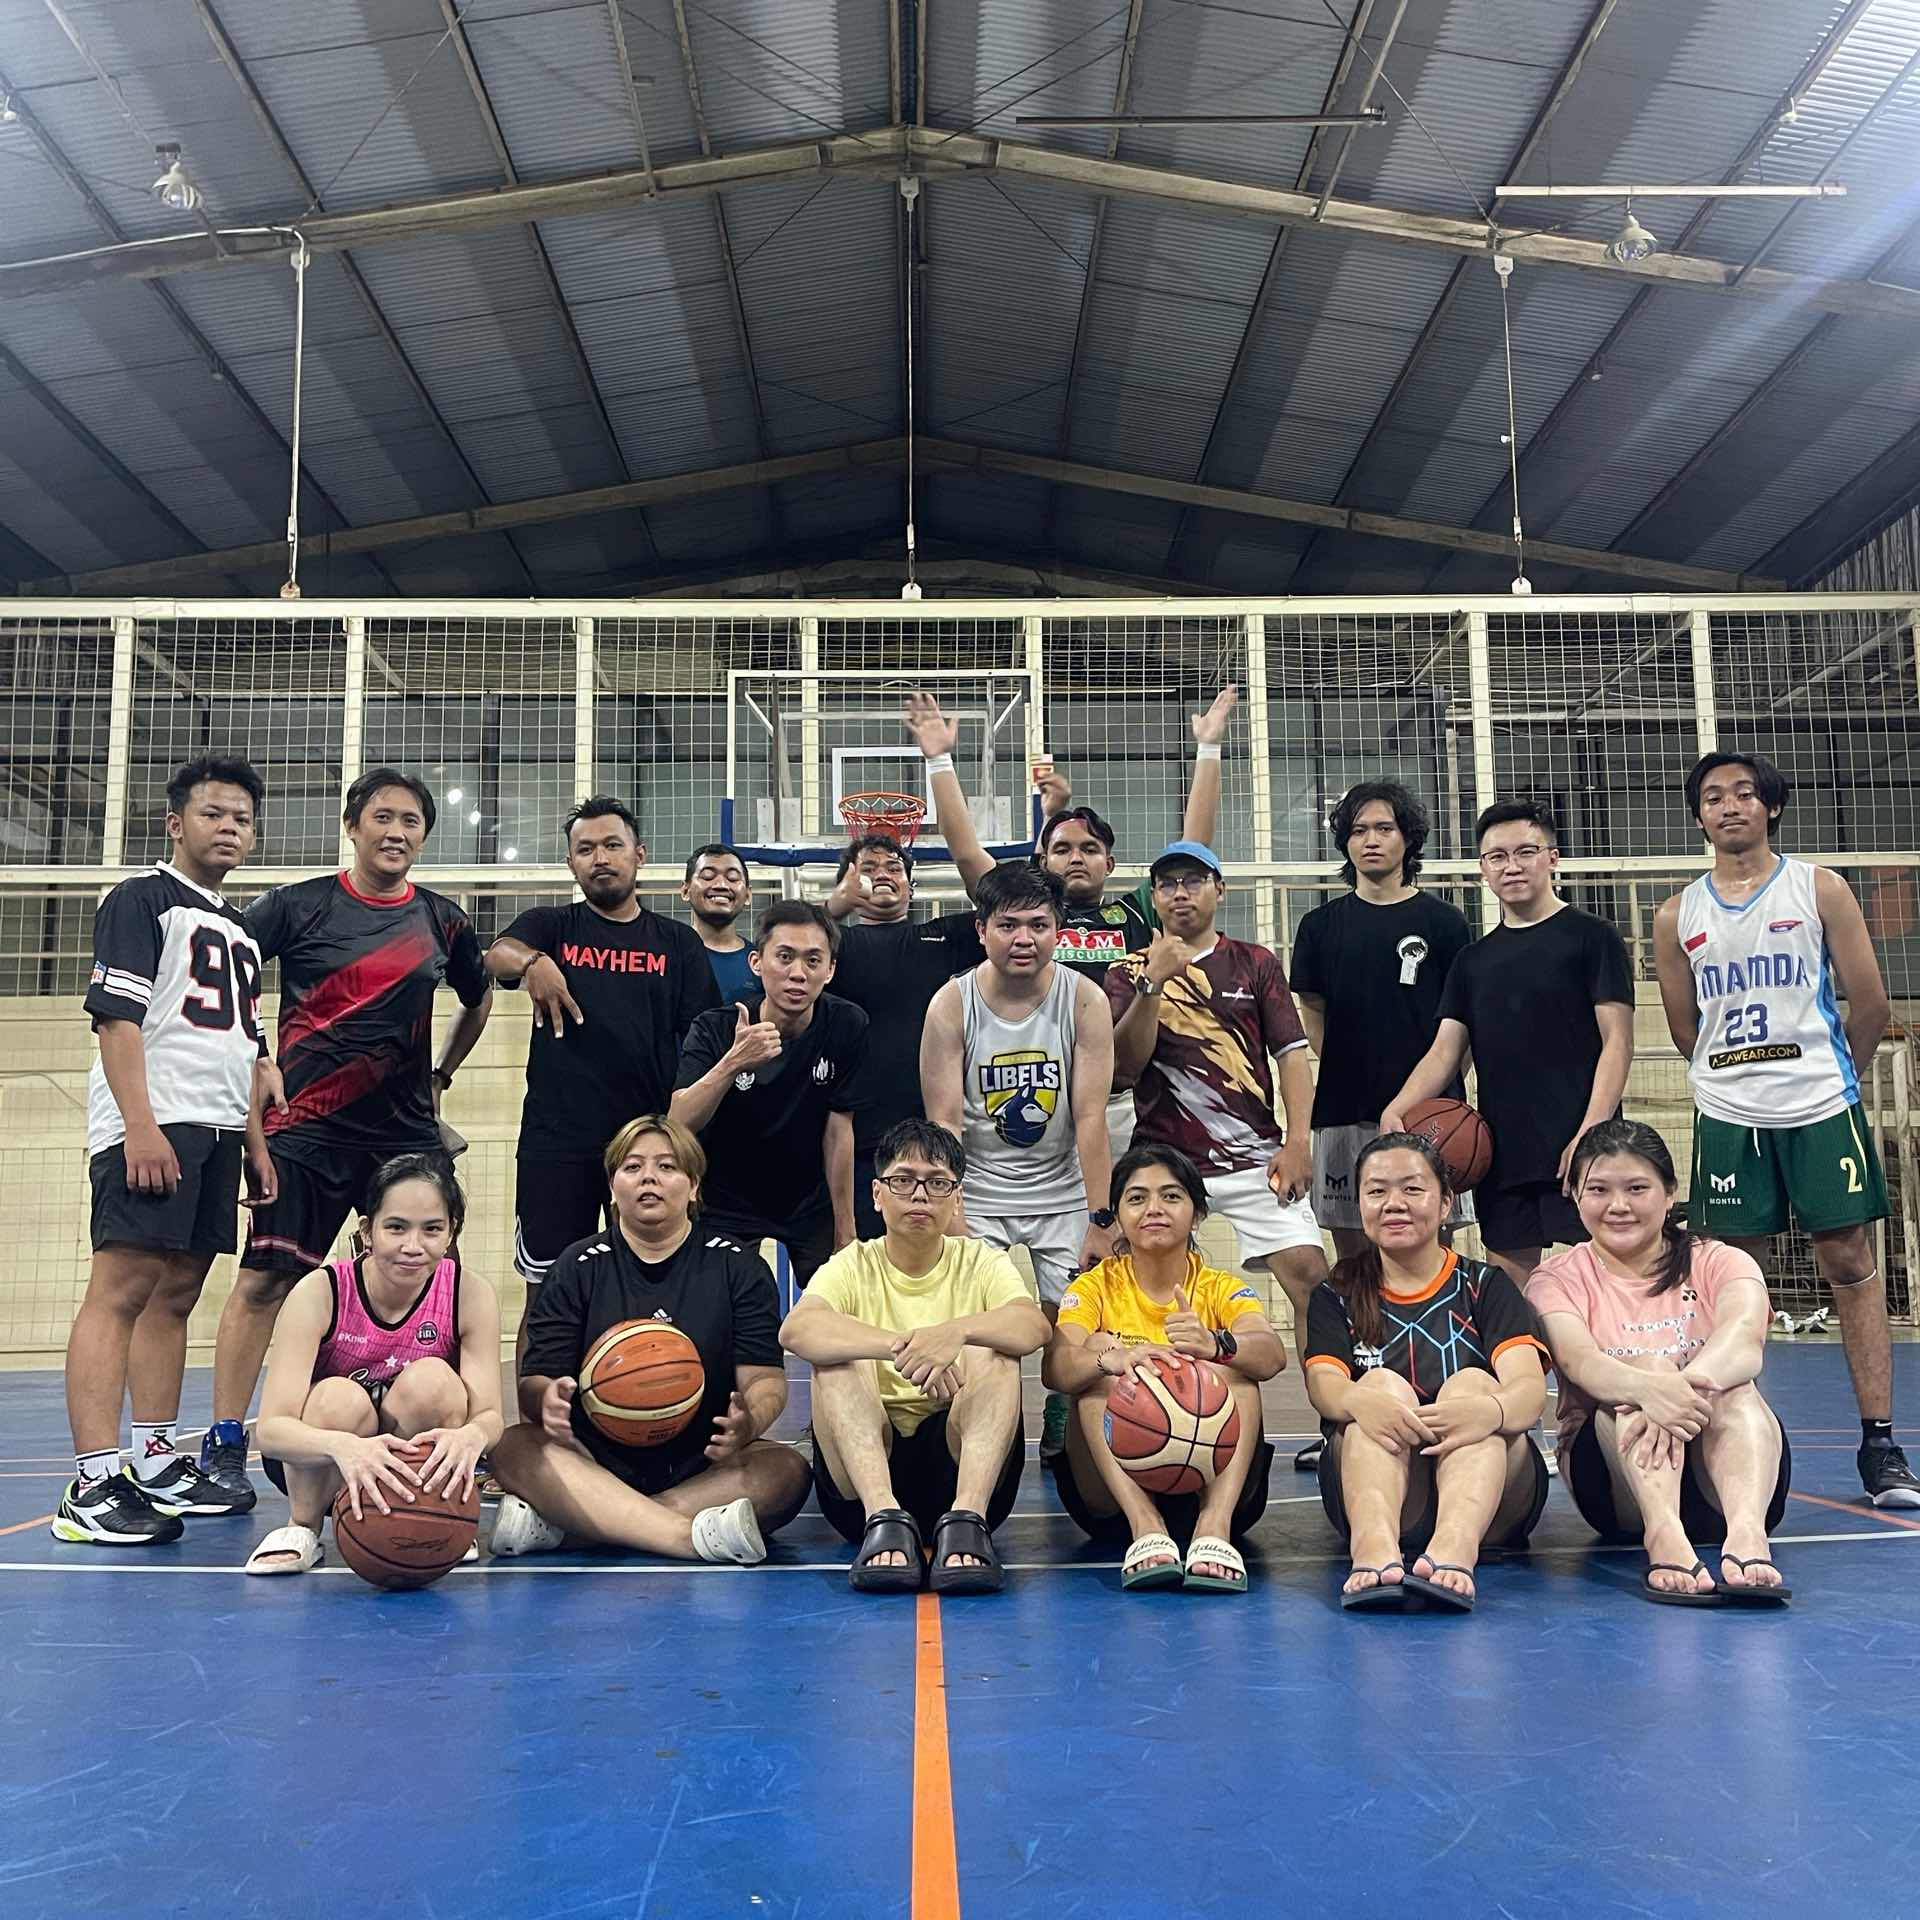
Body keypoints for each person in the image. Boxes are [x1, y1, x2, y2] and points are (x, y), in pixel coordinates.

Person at [198, 768, 493, 1500]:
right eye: (382, 817)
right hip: (304, 1133)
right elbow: (226, 982)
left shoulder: (443, 921)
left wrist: (442, 1073)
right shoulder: (294, 906)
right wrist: (256, 1056)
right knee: (264, 1283)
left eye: (411, 821)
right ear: (353, 826)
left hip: (405, 1138)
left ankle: (449, 1441)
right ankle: (227, 1441)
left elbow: (478, 995)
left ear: (424, 837)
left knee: (436, 1285)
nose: (396, 832)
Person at [1650, 751, 1913, 1508]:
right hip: (1730, 1112)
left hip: (1819, 1104)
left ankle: (1880, 1443)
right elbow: (1685, 1029)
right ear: (1698, 817)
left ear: (1770, 806)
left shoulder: (1818, 887)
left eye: (1744, 793)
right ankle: (1736, 1435)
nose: (1729, 806)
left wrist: (1833, 1079)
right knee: (1734, 1275)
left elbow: (1869, 1002)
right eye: (1713, 797)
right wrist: (1735, 1076)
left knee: (1849, 1257)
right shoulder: (1676, 915)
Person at [53, 758, 279, 1545]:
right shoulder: (141, 899)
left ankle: (153, 1456)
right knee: (120, 1289)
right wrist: (140, 1125)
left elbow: (245, 1049)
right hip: (156, 1121)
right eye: (214, 813)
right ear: (176, 823)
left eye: (242, 818)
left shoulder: (242, 929)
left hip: (218, 1129)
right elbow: (117, 1021)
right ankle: (91, 1482)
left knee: (178, 1292)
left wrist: (255, 1146)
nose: (229, 828)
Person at [901, 685, 1239, 1156]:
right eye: (1062, 849)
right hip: (1034, 1089)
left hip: (1119, 1098)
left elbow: (1193, 849)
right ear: (1043, 861)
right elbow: (965, 851)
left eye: (1089, 849)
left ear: (1110, 864)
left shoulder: (1135, 912)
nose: (1076, 857)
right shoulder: (1023, 915)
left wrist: (1208, 748)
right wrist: (938, 759)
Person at [486, 1115, 810, 1564]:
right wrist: (547, 1400)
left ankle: (578, 1527)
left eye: (667, 1166)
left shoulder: (739, 1267)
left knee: (787, 1472)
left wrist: (749, 1422)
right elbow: (536, 1380)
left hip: (705, 1463)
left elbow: (765, 1380)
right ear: (612, 1186)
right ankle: (687, 1536)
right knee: (512, 1447)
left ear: (694, 1187)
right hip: (590, 1459)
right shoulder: (576, 1265)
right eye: (633, 1166)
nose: (649, 1178)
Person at [485, 797, 717, 1361]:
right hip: (556, 1143)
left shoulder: (676, 943)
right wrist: (533, 962)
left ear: (639, 855)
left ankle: (649, 1402)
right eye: (585, 849)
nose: (600, 858)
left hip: (645, 1147)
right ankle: (539, 1412)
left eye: (612, 845)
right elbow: (496, 954)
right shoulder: (552, 927)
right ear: (571, 863)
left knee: (652, 1289)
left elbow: (701, 1038)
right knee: (547, 1294)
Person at [1528, 1118, 1791, 1606]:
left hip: (1730, 1476)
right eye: (1599, 1190)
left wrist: (1676, 1389)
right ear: (1576, 1196)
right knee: (1646, 1372)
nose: (1618, 1205)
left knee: (1734, 1386)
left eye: (1637, 1188)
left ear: (1669, 1193)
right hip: (1617, 1485)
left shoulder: (1720, 1260)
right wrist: (1650, 1387)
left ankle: (1748, 1533)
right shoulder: (1555, 1279)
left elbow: (1744, 1341)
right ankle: (1663, 1533)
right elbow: (1581, 1362)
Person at [781, 1119, 1050, 1594]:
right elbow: (797, 1329)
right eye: (903, 1180)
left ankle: (967, 1521)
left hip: (964, 1474)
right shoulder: (853, 1263)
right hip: (865, 1486)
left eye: (937, 1182)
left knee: (997, 1350)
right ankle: (884, 1519)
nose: (920, 1195)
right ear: (877, 1194)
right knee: (836, 1356)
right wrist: (901, 1347)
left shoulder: (982, 1261)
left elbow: (1033, 1326)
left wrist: (956, 1333)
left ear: (957, 1198)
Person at [1288, 780, 1472, 1473]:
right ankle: (1350, 1415)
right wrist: (1350, 1066)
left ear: (1407, 839)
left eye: (1385, 828)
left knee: (1432, 1255)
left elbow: (1460, 1025)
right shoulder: (1320, 927)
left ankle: (1445, 1406)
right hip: (1343, 1110)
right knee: (1352, 1265)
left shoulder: (1446, 923)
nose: (1371, 840)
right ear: (1344, 841)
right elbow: (1312, 1010)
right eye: (1359, 829)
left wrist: (1424, 1094)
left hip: (1428, 1118)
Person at [1106, 840, 1328, 1391]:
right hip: (1162, 1162)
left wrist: (1298, 1142)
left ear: (1219, 889)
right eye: (1168, 884)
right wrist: (1153, 982)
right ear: (1154, 897)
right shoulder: (1128, 971)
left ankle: (1335, 1416)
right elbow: (1126, 1067)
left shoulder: (1256, 962)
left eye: (1194, 881)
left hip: (1255, 1157)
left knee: (1312, 1279)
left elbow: (1292, 1056)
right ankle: (1145, 1407)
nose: (1180, 893)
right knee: (1131, 1282)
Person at [1386, 798, 1634, 1287]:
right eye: (1497, 856)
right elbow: (1445, 1051)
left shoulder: (1593, 938)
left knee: (1601, 1290)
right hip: (1501, 1152)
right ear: (1483, 869)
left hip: (1583, 1147)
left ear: (1552, 858)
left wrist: (1591, 1131)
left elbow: (1618, 1042)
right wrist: (1397, 1109)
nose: (1512, 866)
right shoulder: (1472, 961)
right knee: (1512, 1298)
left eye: (1525, 852)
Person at [1304, 1132, 1550, 1612]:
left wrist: (1487, 1411)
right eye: (1377, 1191)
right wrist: (1361, 1401)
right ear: (1360, 1205)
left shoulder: (1486, 1285)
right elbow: (1324, 1386)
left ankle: (1455, 1549)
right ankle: (1373, 1547)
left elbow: (1528, 1391)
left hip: (1492, 1498)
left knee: (1473, 1384)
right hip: (1389, 1491)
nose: (1394, 1203)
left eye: (1412, 1189)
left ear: (1445, 1203)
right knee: (1376, 1386)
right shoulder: (1337, 1292)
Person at [244, 1155, 504, 1575]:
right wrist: (343, 1446)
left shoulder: (468, 1293)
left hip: (412, 1449)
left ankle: (436, 1513)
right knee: (337, 1397)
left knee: (434, 1382)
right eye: (396, 1227)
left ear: (451, 1232)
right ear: (367, 1231)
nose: (413, 1246)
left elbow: (490, 1414)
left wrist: (473, 1435)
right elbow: (271, 1432)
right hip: (324, 1460)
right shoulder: (321, 1291)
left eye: (432, 1229)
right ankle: (302, 1528)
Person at [1044, 1146, 1285, 1592]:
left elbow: (1272, 1354)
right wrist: (1109, 1360)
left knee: (1238, 1370)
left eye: (1171, 1196)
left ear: (1197, 1214)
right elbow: (1055, 1368)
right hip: (1112, 1502)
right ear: (1118, 1217)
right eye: (1137, 1198)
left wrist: (1216, 1344)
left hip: (1213, 1489)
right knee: (1097, 1359)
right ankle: (1147, 1527)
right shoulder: (1094, 1286)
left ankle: (1214, 1528)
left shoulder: (1220, 1287)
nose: (1154, 1208)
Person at [920, 860, 1116, 1325]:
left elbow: (1091, 1118)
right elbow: (944, 1122)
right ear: (982, 930)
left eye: (1038, 925)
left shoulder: (1086, 1000)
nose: (1023, 939)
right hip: (979, 1193)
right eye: (1008, 925)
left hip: (1063, 1191)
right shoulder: (951, 1004)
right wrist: (952, 1210)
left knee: (1076, 1335)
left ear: (1058, 931)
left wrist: (1100, 1218)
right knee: (981, 1335)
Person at [670, 901, 866, 1285]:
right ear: (756, 962)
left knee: (837, 1307)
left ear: (830, 970)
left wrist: (846, 1231)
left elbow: (839, 1130)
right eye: (785, 957)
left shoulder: (847, 1024)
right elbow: (678, 1121)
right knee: (725, 1308)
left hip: (808, 1199)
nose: (798, 973)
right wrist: (732, 1062)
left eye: (813, 960)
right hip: (726, 1200)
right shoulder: (715, 1027)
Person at [821, 826, 985, 1242]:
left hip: (936, 1139)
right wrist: (834, 907)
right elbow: (787, 939)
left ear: (911, 888)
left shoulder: (942, 938)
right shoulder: (832, 948)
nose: (882, 874)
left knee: (936, 1264)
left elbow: (999, 901)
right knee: (867, 1265)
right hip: (859, 1142)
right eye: (868, 868)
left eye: (894, 867)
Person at [681, 842, 756, 1003]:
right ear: (686, 890)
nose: (721, 885)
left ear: (748, 895)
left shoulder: (762, 963)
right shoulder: (666, 955)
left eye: (732, 878)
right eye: (708, 876)